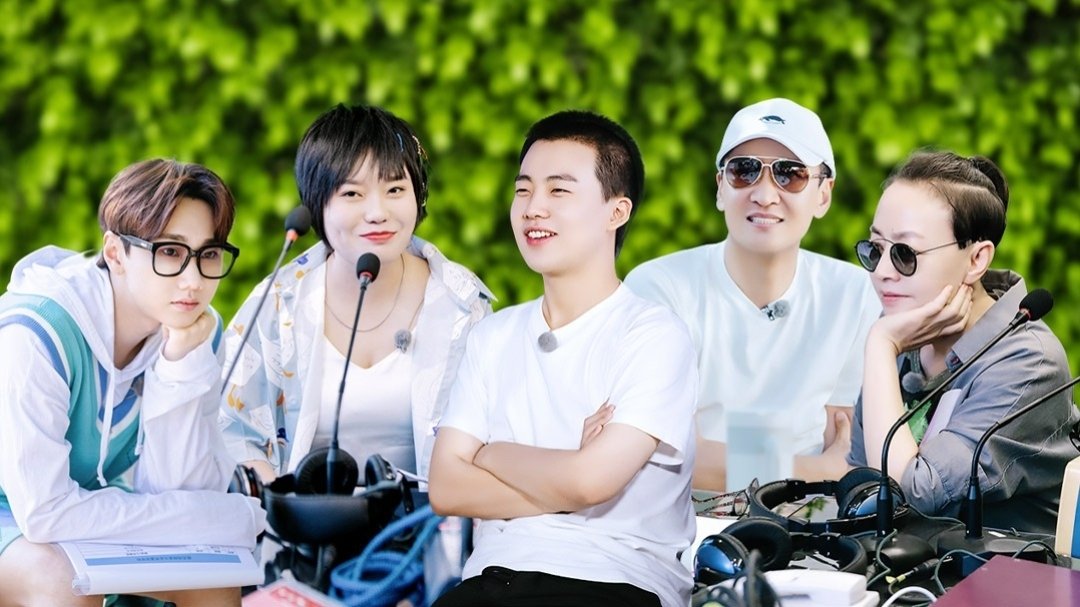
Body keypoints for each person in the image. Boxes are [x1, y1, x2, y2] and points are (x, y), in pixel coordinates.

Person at [429, 110, 698, 607]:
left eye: (558, 190)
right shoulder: (493, 335)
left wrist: (491, 454)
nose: (534, 208)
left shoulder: (653, 334)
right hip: (491, 580)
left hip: (614, 580)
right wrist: (568, 472)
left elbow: (590, 481)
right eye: (524, 190)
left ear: (617, 212)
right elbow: (446, 487)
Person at [0, 159, 265, 606]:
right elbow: (43, 512)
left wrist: (181, 363)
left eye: (209, 254)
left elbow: (182, 489)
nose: (193, 280)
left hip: (82, 510)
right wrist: (213, 516)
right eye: (170, 252)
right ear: (115, 253)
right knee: (64, 579)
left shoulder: (195, 330)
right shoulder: (37, 334)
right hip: (20, 515)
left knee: (211, 573)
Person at [219, 103, 492, 487]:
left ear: (418, 197)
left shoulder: (463, 304)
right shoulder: (278, 302)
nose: (377, 212)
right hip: (299, 519)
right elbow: (229, 427)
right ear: (317, 205)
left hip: (431, 520)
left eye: (395, 189)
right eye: (352, 193)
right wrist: (278, 500)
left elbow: (494, 436)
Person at [625, 98, 880, 490]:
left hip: (808, 517)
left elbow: (847, 447)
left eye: (790, 174)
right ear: (720, 188)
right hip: (684, 516)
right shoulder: (660, 288)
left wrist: (720, 459)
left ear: (824, 194)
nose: (764, 194)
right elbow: (662, 457)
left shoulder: (855, 294)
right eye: (744, 171)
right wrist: (815, 470)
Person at [844, 150, 1080, 534]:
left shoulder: (1030, 361)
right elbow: (859, 478)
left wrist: (881, 345)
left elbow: (910, 493)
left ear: (976, 260)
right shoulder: (905, 330)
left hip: (1002, 570)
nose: (882, 271)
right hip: (903, 562)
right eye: (875, 249)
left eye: (904, 253)